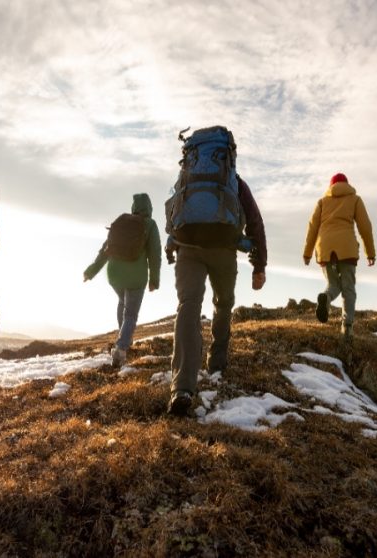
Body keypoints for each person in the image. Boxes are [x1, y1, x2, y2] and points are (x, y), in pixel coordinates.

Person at [165, 128, 267, 416]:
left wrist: (171, 246)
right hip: (224, 250)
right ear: (229, 156)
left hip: (188, 247)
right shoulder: (235, 183)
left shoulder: (186, 179)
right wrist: (259, 267)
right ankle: (217, 361)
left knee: (188, 306)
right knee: (223, 303)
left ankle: (182, 387)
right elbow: (255, 223)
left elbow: (172, 212)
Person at [84, 193, 162, 367]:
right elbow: (155, 254)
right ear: (149, 208)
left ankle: (123, 338)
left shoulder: (122, 222)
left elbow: (105, 249)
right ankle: (121, 348)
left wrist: (91, 271)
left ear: (134, 207)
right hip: (136, 277)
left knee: (122, 302)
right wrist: (155, 279)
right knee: (131, 314)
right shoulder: (149, 225)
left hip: (114, 275)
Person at [302, 172, 375, 340]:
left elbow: (312, 228)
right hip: (347, 249)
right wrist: (370, 252)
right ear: (347, 184)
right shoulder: (355, 199)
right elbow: (365, 227)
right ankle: (347, 327)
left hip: (325, 249)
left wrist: (307, 253)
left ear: (331, 186)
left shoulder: (322, 202)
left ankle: (326, 298)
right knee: (348, 287)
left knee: (332, 284)